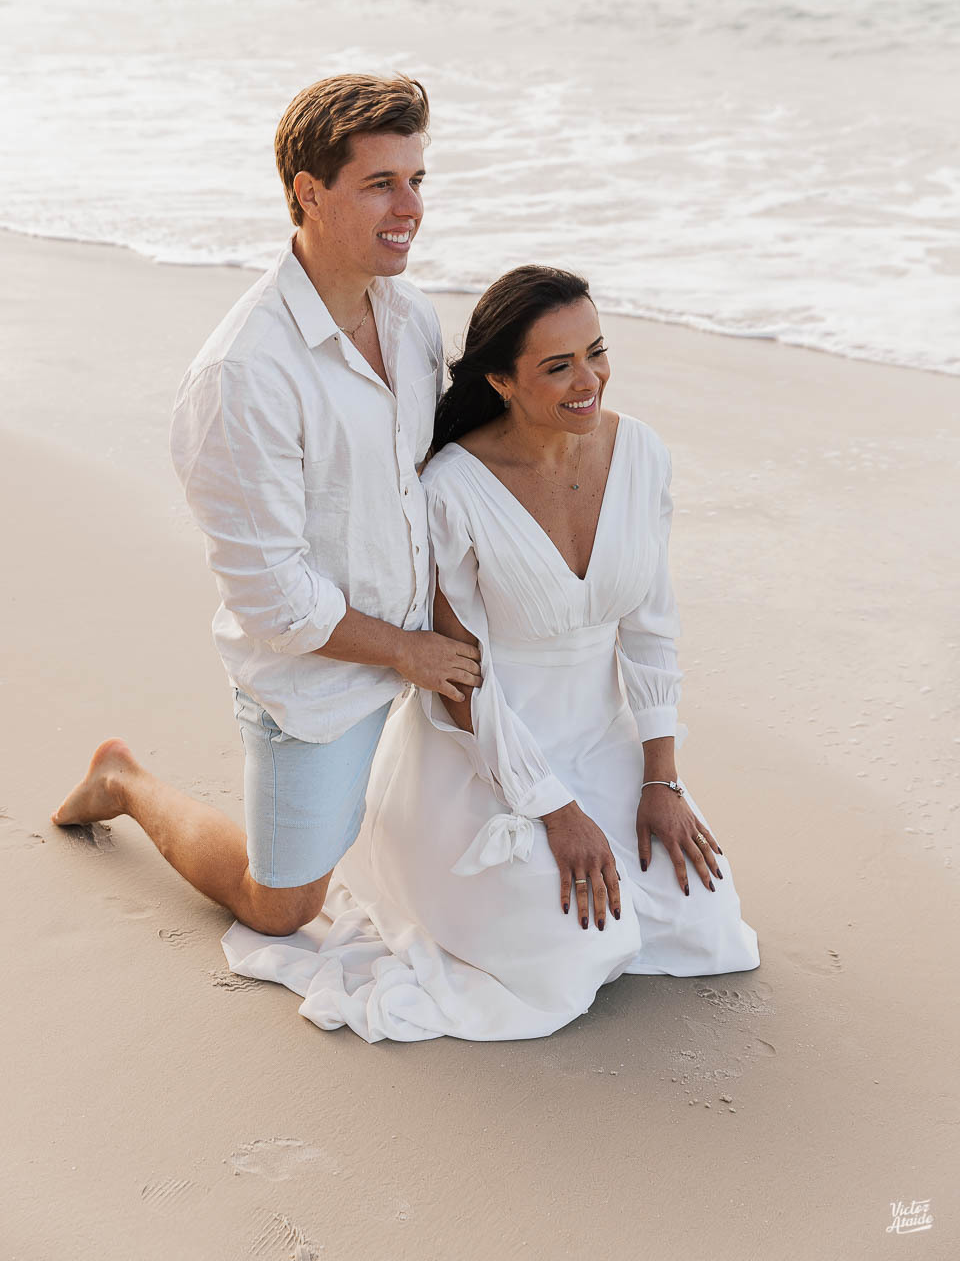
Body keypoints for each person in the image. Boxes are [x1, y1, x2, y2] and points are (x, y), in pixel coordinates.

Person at [221, 265, 761, 1040]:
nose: (589, 380)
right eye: (558, 366)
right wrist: (553, 807)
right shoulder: (454, 487)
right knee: (579, 952)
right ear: (503, 381)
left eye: (597, 351)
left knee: (709, 930)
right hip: (486, 750)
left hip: (602, 740)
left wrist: (661, 779)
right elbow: (459, 677)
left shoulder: (640, 453)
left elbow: (650, 629)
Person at [50, 73, 480, 937]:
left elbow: (430, 481)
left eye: (418, 180)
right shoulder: (243, 374)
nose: (412, 207)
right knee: (281, 907)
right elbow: (274, 599)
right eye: (381, 184)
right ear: (307, 194)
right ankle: (123, 778)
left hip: (417, 645)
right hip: (317, 678)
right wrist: (410, 653)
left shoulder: (412, 319)